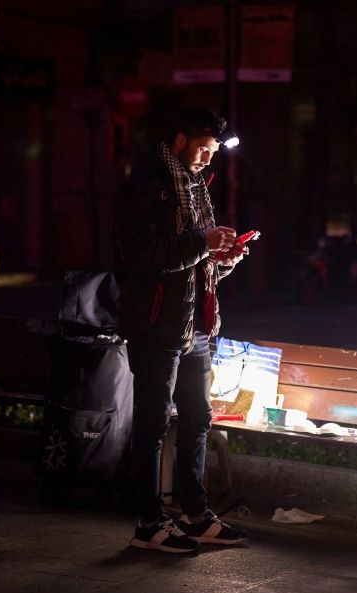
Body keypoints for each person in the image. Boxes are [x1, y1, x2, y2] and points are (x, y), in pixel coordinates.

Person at [114, 108, 248, 553]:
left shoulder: (196, 187)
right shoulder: (147, 186)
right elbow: (145, 257)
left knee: (197, 418)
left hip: (197, 325)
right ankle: (148, 522)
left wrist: (222, 259)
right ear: (179, 140)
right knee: (153, 423)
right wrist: (202, 244)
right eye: (203, 149)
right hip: (156, 324)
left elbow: (194, 265)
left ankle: (195, 513)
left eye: (214, 151)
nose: (209, 158)